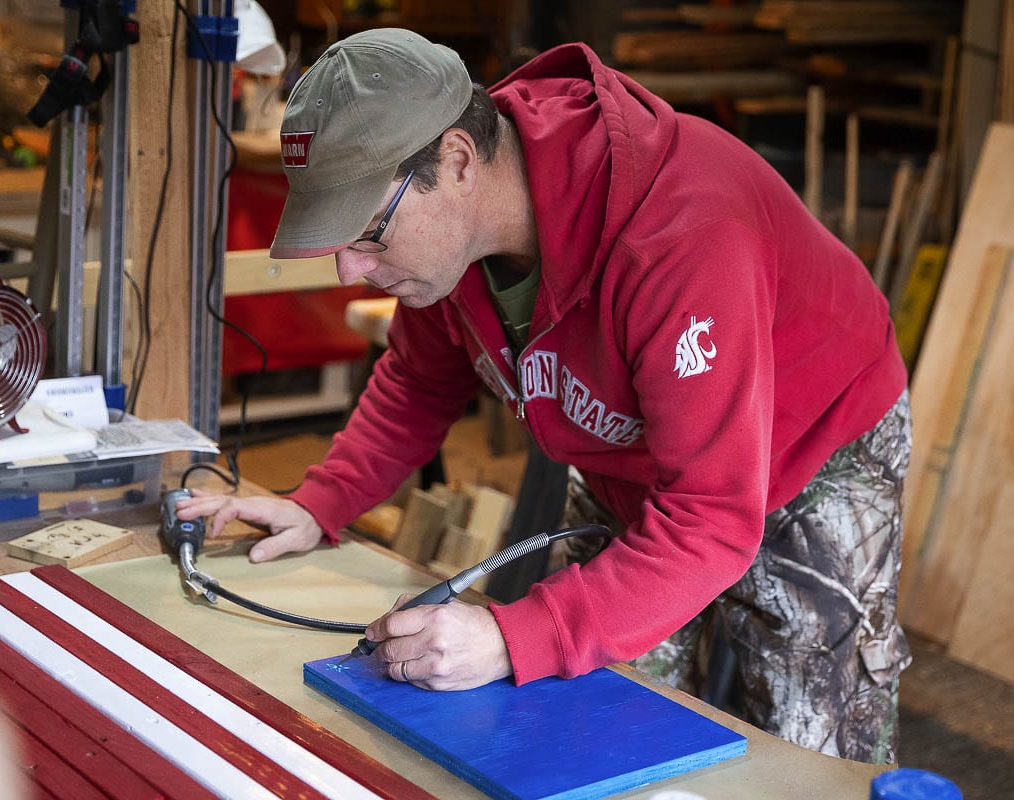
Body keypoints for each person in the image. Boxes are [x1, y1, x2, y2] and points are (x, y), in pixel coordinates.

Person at [177, 27, 912, 763]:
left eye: (366, 233)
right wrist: (321, 500)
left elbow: (713, 518)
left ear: (457, 161)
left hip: (811, 443)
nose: (347, 271)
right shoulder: (448, 240)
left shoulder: (679, 231)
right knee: (594, 726)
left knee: (803, 752)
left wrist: (513, 633)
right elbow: (418, 382)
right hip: (631, 452)